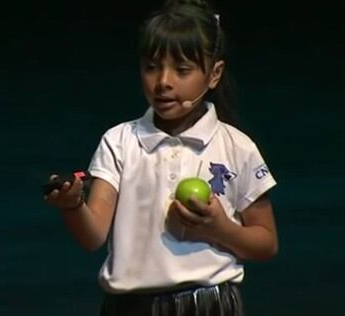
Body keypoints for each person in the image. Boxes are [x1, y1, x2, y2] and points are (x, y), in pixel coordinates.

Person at [45, 0, 279, 314]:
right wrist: (73, 205)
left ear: (214, 74)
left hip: (207, 304)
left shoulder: (238, 147)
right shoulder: (119, 142)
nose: (163, 81)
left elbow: (266, 243)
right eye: (151, 67)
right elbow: (93, 237)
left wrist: (220, 228)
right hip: (129, 306)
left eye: (182, 70)